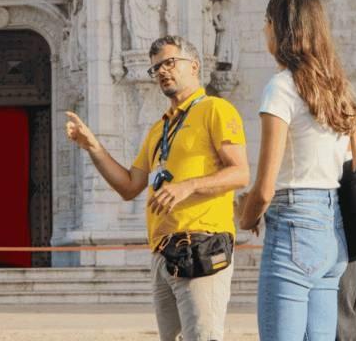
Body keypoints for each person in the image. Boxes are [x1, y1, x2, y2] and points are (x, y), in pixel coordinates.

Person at [65, 35, 249, 341]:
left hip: (201, 244)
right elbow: (129, 186)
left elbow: (240, 173)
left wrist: (188, 186)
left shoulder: (216, 109)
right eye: (156, 68)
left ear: (194, 66)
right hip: (164, 253)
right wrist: (92, 146)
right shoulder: (159, 128)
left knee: (202, 337)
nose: (162, 71)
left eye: (169, 62)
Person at [239, 0, 356, 340]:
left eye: (267, 22)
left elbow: (265, 185)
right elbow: (350, 163)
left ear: (280, 28)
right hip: (331, 229)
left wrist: (246, 218)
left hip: (294, 224)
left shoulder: (281, 87)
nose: (264, 30)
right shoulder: (339, 90)